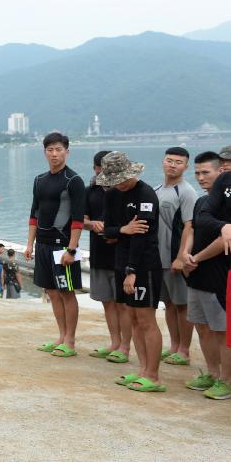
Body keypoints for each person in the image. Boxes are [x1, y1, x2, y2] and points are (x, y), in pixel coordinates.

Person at [98, 151, 166, 392]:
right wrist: (123, 230)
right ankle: (142, 370)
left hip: (144, 264)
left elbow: (143, 235)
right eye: (115, 180)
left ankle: (154, 376)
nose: (120, 183)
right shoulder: (113, 194)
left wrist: (132, 271)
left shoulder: (145, 194)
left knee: (146, 319)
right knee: (133, 318)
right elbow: (108, 230)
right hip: (121, 261)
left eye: (123, 178)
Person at [24, 132, 85, 358]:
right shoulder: (40, 180)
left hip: (63, 246)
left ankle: (70, 340)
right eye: (50, 150)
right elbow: (34, 214)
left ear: (66, 152)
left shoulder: (74, 181)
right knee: (51, 291)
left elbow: (78, 220)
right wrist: (30, 244)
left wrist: (72, 249)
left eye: (58, 149)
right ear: (45, 152)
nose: (54, 154)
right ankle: (60, 336)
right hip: (43, 244)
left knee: (67, 292)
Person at [179, 151, 230, 399]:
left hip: (218, 276)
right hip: (195, 275)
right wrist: (185, 254)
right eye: (197, 173)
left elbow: (224, 241)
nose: (200, 178)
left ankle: (226, 380)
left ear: (221, 172)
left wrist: (196, 258)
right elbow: (190, 229)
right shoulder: (202, 202)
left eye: (205, 172)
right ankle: (211, 372)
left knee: (222, 330)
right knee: (202, 327)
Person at [84, 150, 131, 364]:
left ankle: (125, 347)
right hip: (99, 252)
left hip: (121, 253)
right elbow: (81, 220)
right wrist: (92, 224)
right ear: (96, 169)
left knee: (123, 303)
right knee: (107, 302)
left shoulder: (124, 190)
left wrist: (116, 231)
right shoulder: (90, 191)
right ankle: (114, 342)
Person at [154, 147, 198, 366]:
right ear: (163, 162)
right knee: (169, 304)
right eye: (169, 160)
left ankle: (184, 350)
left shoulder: (187, 191)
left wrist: (182, 256)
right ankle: (173, 346)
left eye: (178, 162)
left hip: (174, 257)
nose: (172, 165)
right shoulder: (158, 188)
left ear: (186, 166)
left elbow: (190, 226)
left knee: (182, 305)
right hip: (158, 258)